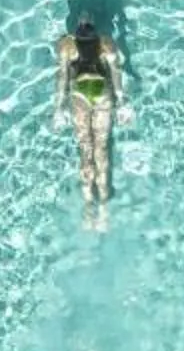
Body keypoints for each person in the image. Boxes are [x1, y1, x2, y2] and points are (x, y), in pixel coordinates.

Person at [53, 15, 128, 223]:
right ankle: (103, 206)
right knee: (101, 146)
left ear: (75, 31)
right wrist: (122, 102)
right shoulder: (106, 44)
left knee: (85, 147)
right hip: (101, 90)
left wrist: (59, 108)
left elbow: (62, 77)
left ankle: (88, 206)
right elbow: (116, 72)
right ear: (95, 31)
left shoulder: (66, 45)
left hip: (79, 92)